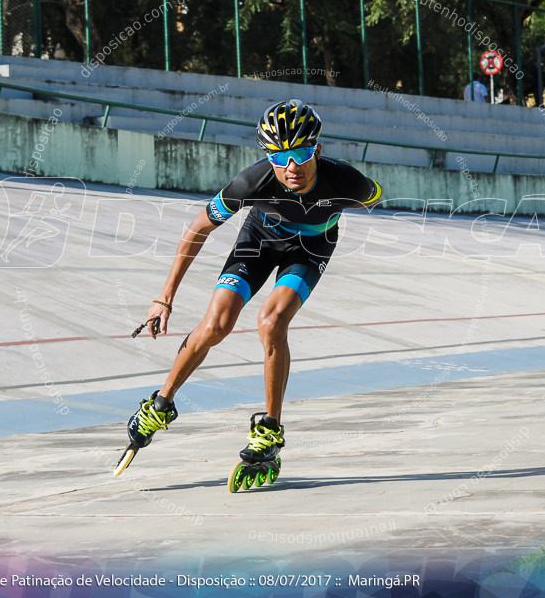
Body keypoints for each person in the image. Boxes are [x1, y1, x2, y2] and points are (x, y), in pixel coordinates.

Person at [118, 99, 384, 484]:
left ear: (318, 150)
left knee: (271, 321)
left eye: (302, 153)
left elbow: (375, 197)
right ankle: (160, 403)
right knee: (216, 325)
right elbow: (197, 229)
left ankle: (270, 429)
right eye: (280, 156)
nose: (291, 166)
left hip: (309, 251)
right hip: (257, 243)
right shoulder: (252, 181)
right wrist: (165, 297)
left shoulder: (348, 181)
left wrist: (332, 213)